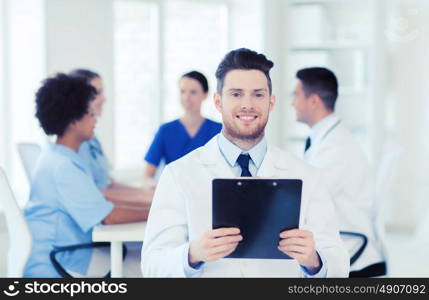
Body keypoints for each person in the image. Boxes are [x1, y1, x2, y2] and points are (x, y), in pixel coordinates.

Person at [141, 48, 349, 277]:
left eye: (258, 95)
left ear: (271, 102)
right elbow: (152, 266)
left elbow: (339, 264)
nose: (247, 104)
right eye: (236, 94)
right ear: (218, 102)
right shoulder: (179, 175)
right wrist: (192, 254)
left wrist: (314, 261)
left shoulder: (307, 176)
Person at [24, 74, 149, 277]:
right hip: (62, 262)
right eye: (90, 114)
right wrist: (157, 210)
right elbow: (110, 216)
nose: (96, 119)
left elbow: (103, 205)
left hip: (64, 253)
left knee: (141, 251)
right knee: (154, 264)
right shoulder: (64, 167)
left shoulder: (57, 157)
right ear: (74, 121)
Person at [291, 67, 386, 277]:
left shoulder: (336, 149)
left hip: (356, 259)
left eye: (296, 95)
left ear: (313, 100)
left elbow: (305, 202)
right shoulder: (327, 140)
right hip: (345, 249)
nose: (292, 102)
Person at [69, 69, 153, 206]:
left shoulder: (92, 138)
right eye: (97, 93)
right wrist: (146, 200)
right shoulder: (77, 144)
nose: (104, 99)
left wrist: (144, 193)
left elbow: (107, 184)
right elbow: (93, 193)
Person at [143, 71, 222, 178]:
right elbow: (147, 175)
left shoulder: (219, 130)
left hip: (209, 193)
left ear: (205, 94)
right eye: (183, 91)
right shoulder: (166, 131)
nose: (186, 97)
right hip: (174, 192)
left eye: (193, 92)